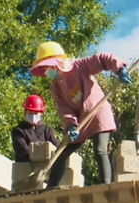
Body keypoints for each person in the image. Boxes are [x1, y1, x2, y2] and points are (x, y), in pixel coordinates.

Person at [30, 41, 132, 187]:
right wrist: (71, 125)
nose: (46, 72)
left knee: (100, 150)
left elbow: (103, 58)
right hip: (81, 121)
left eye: (46, 67)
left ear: (56, 63)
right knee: (62, 152)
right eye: (43, 69)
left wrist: (120, 68)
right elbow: (64, 109)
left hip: (98, 114)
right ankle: (51, 187)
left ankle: (106, 186)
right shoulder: (56, 87)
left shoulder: (79, 66)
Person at [11, 94, 61, 162]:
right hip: (25, 167)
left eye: (36, 113)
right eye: (30, 112)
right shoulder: (18, 131)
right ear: (25, 113)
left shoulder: (48, 131)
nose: (33, 115)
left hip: (47, 166)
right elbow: (23, 151)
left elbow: (57, 147)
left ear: (41, 114)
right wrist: (39, 157)